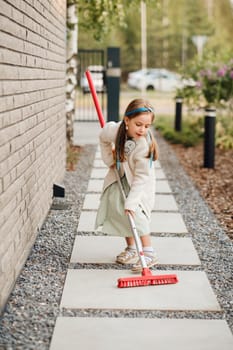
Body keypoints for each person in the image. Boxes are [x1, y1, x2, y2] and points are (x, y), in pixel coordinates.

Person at [95, 98, 159, 272]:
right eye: (139, 124)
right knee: (119, 209)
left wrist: (132, 202)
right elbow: (103, 136)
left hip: (139, 183)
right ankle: (132, 248)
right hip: (122, 176)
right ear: (127, 120)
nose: (142, 130)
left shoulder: (144, 147)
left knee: (136, 214)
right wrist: (110, 158)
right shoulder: (114, 130)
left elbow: (141, 179)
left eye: (147, 126)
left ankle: (149, 252)